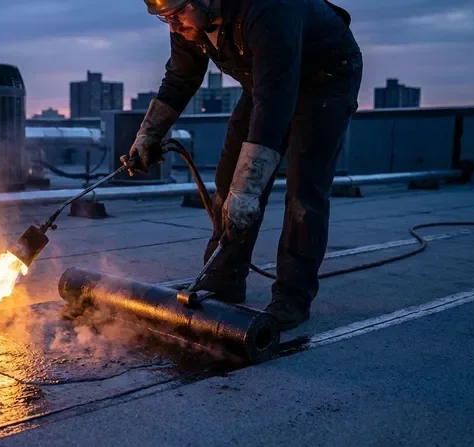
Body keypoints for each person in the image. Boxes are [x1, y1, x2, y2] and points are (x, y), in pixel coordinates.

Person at [127, 0, 363, 330]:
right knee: (227, 184)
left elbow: (276, 102)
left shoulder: (268, 9)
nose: (174, 26)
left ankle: (291, 298)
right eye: (165, 19)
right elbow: (181, 76)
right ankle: (223, 278)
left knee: (303, 193)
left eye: (177, 14)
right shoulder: (188, 20)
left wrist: (249, 189)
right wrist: (149, 133)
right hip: (263, 84)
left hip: (324, 80)